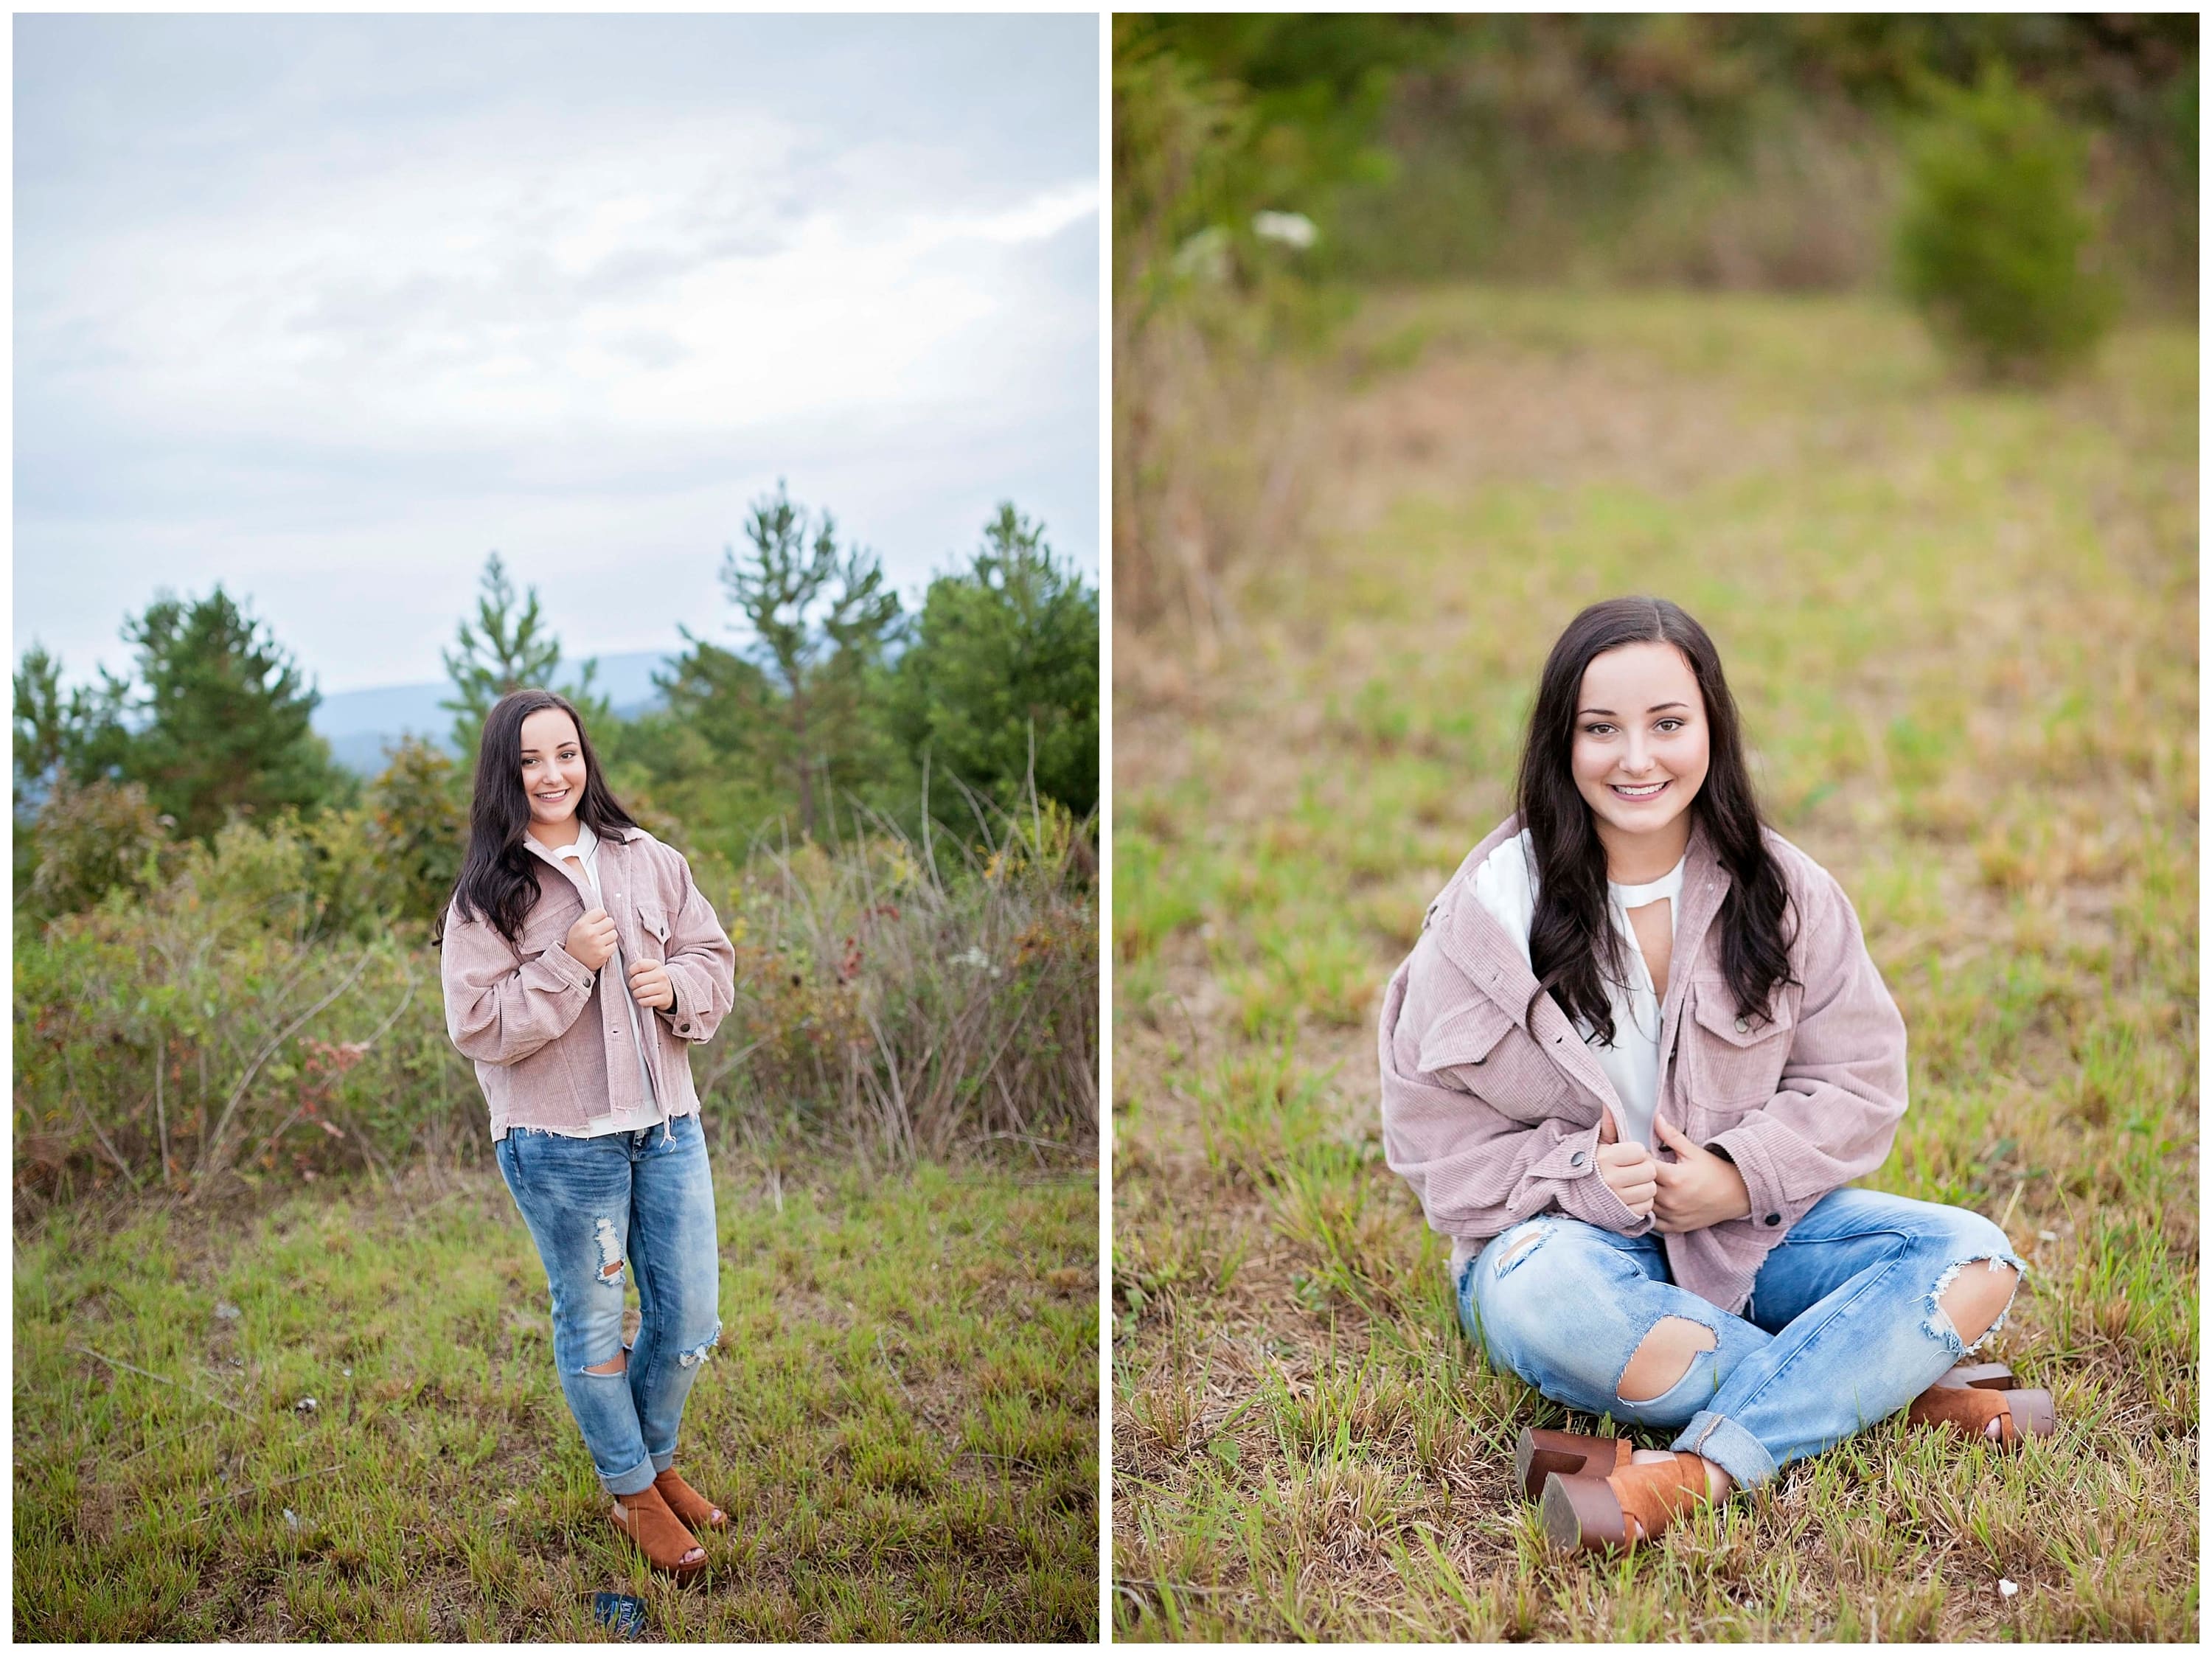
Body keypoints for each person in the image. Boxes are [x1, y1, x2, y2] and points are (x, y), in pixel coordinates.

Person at [1377, 596, 2051, 1555]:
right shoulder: (1489, 914)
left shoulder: (1784, 892)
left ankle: (1687, 1473)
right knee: (1550, 1301)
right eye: (1601, 728)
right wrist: (1578, 1173)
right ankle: (1896, 1394)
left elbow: (1859, 1083)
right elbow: (1426, 1138)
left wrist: (1736, 1175)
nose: (1637, 759)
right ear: (1560, 742)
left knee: (1974, 1260)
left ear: (1711, 728)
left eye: (1667, 724)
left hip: (1750, 1239)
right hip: (1565, 1254)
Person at [437, 687, 737, 1578]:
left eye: (564, 752)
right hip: (562, 1144)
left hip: (667, 1125)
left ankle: (650, 1463)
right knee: (596, 1321)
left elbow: (709, 954)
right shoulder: (485, 895)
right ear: (505, 772)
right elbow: (479, 1024)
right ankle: (635, 1489)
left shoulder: (649, 859)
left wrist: (675, 986)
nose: (552, 773)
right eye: (529, 759)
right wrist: (571, 964)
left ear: (586, 756)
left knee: (689, 1318)